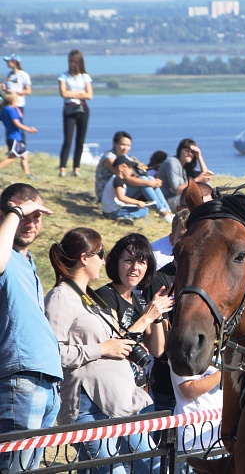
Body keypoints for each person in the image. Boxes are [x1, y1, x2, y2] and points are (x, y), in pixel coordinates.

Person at [44, 227, 158, 474]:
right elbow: (53, 354)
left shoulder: (88, 297)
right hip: (86, 406)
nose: (104, 261)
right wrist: (102, 348)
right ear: (84, 258)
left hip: (117, 400)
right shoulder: (60, 297)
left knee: (150, 464)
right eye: (100, 254)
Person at [0, 183, 62, 473]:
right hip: (20, 378)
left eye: (36, 216)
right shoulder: (4, 253)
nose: (30, 222)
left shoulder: (27, 260)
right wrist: (15, 212)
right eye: (23, 214)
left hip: (45, 380)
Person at [94, 233, 173, 387]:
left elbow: (157, 350)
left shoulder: (140, 300)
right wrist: (146, 318)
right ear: (116, 262)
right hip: (111, 386)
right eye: (128, 261)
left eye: (142, 262)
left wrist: (156, 314)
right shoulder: (105, 295)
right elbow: (115, 342)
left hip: (137, 388)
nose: (135, 268)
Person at [95, 131, 174, 222]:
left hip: (122, 189)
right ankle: (162, 212)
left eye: (128, 145)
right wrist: (150, 183)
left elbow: (134, 173)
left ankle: (167, 211)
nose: (126, 148)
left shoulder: (125, 157)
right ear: (114, 143)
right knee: (145, 181)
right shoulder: (109, 158)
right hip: (110, 194)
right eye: (123, 144)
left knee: (149, 179)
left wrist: (153, 181)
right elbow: (126, 178)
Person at [58, 49, 93, 178]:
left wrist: (72, 93)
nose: (72, 64)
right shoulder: (63, 75)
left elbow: (89, 95)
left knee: (80, 140)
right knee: (67, 140)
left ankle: (76, 168)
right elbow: (63, 93)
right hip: (69, 109)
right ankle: (62, 168)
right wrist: (80, 93)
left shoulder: (85, 76)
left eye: (74, 62)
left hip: (83, 109)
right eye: (70, 61)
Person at [156, 138, 211, 211]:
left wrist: (199, 156)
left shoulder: (185, 166)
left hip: (178, 199)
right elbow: (177, 190)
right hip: (168, 201)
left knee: (206, 185)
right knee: (198, 196)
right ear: (180, 150)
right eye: (186, 150)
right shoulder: (172, 163)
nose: (189, 153)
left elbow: (206, 177)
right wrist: (197, 180)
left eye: (192, 152)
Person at [100, 156, 150, 225]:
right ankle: (127, 217)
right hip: (113, 212)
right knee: (144, 210)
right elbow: (121, 197)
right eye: (129, 168)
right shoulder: (118, 180)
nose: (131, 171)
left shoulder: (115, 178)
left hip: (108, 211)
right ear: (121, 168)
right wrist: (137, 202)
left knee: (140, 209)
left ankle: (125, 217)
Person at [0, 91, 37, 178]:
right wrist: (29, 129)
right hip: (14, 137)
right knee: (11, 158)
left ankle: (28, 174)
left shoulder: (4, 110)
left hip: (12, 136)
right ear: (13, 101)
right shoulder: (11, 110)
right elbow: (16, 123)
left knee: (24, 155)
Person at [2, 54, 31, 144]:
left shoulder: (23, 75)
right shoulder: (8, 74)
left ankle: (22, 147)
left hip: (17, 104)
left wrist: (16, 92)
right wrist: (4, 89)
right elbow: (7, 88)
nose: (7, 63)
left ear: (14, 62)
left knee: (19, 126)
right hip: (7, 105)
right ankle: (11, 146)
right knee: (9, 126)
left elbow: (28, 91)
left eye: (8, 61)